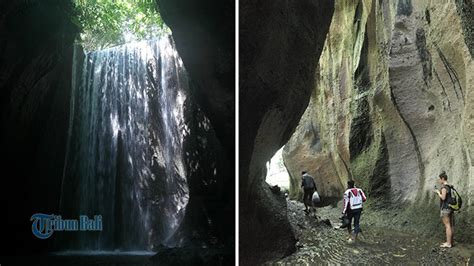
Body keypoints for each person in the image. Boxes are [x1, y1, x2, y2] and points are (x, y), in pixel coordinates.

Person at [433, 171, 454, 248]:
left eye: (439, 179)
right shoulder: (450, 186)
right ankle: (451, 242)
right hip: (450, 208)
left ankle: (448, 243)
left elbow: (443, 198)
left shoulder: (444, 188)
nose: (439, 181)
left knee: (447, 226)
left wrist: (438, 192)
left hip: (445, 209)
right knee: (451, 225)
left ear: (442, 178)